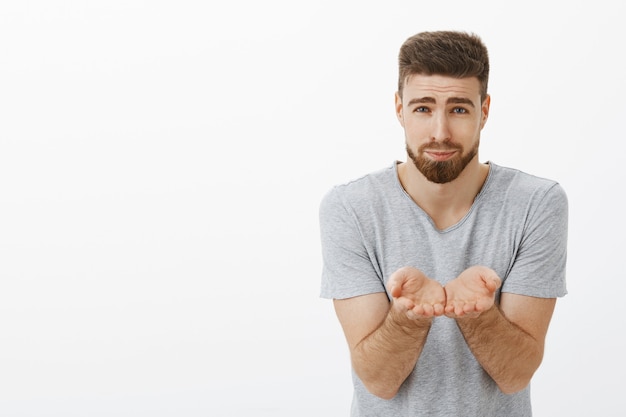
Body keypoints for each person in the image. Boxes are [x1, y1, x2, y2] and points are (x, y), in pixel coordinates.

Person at [318, 30, 568, 417]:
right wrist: (408, 319)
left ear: (484, 111)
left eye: (458, 109)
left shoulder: (536, 203)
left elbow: (516, 375)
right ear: (399, 109)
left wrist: (478, 314)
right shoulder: (350, 208)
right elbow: (379, 381)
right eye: (422, 108)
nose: (440, 132)